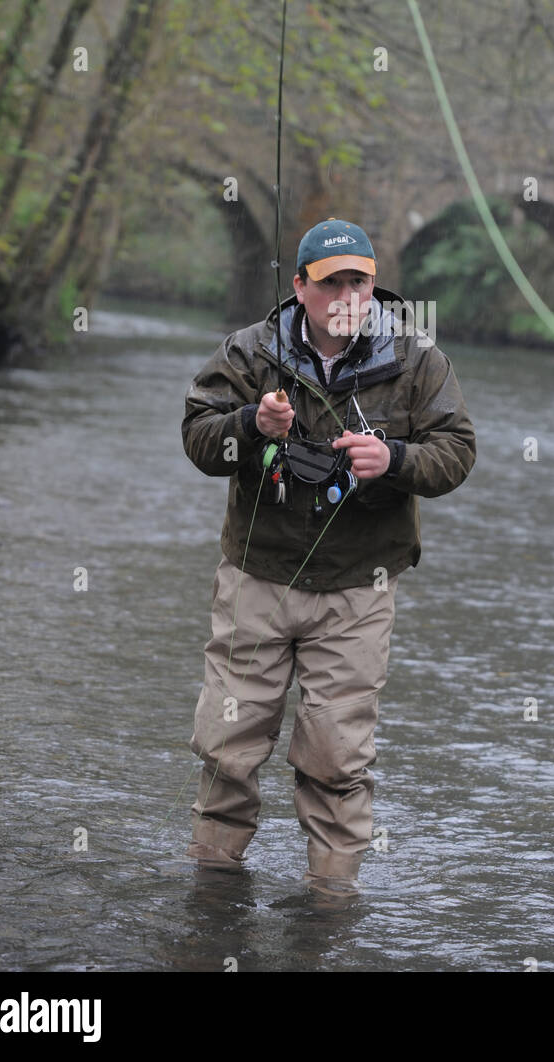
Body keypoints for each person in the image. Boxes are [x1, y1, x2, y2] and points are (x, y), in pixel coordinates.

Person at [181, 218, 476, 895]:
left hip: (358, 587)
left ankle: (330, 906)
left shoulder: (416, 359)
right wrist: (250, 425)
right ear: (301, 288)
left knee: (337, 757)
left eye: (361, 281)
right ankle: (211, 888)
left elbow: (457, 451)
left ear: (375, 285)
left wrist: (394, 458)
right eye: (332, 281)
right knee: (228, 747)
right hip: (257, 576)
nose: (348, 293)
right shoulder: (250, 351)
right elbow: (199, 439)